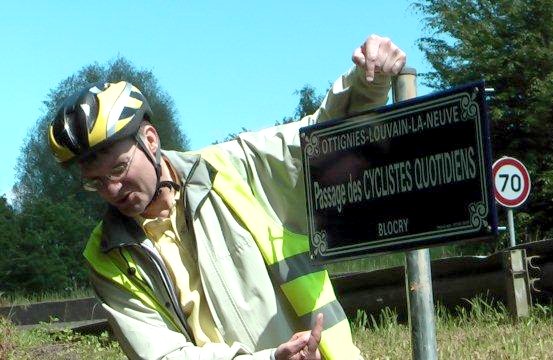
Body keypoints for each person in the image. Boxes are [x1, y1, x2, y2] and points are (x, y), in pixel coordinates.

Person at [48, 34, 406, 360]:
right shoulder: (106, 255)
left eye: (118, 169)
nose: (111, 190)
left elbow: (318, 142)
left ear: (151, 140)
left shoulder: (234, 166)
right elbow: (162, 356)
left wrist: (366, 84)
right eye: (95, 182)